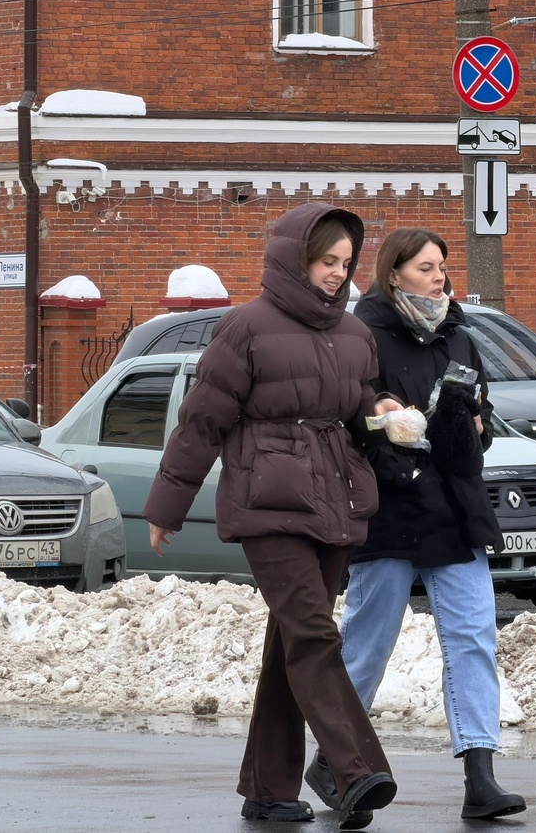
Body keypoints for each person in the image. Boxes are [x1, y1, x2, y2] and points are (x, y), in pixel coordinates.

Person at [143, 203, 400, 830]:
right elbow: (203, 421)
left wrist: (385, 411)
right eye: (325, 261)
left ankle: (267, 786)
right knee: (313, 633)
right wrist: (167, 506)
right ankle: (354, 768)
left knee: (292, 641)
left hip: (333, 502)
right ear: (295, 259)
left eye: (344, 263)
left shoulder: (354, 335)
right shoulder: (246, 328)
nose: (337, 274)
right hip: (266, 504)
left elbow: (359, 409)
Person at [318, 228, 526, 821]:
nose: (440, 276)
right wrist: (381, 417)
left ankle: (480, 777)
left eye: (443, 266)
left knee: (472, 641)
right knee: (368, 645)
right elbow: (347, 415)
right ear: (394, 276)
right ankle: (334, 758)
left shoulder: (461, 337)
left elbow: (475, 420)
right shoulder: (361, 336)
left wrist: (473, 427)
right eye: (426, 267)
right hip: (389, 508)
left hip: (456, 511)